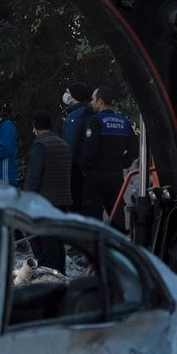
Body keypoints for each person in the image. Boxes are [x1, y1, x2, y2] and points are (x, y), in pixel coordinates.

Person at [25, 109, 73, 272]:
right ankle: (60, 271)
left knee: (45, 240)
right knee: (57, 240)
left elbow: (34, 176)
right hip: (63, 199)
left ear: (35, 127)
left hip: (45, 201)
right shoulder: (63, 144)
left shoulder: (40, 145)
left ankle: (49, 271)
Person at [80, 86, 135, 228]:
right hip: (116, 175)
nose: (91, 102)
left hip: (96, 174)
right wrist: (122, 163)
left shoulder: (95, 121)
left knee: (93, 212)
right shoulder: (124, 122)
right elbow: (134, 149)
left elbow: (90, 150)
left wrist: (84, 167)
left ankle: (95, 246)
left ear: (100, 101)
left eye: (93, 99)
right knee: (116, 211)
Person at [60, 81, 92, 212]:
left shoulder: (74, 117)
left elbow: (70, 145)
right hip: (89, 167)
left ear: (74, 96)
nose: (65, 95)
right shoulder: (89, 113)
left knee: (76, 204)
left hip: (76, 169)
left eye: (68, 92)